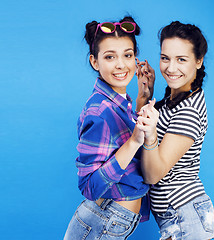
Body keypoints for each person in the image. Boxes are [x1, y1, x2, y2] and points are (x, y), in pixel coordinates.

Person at [64, 16, 155, 239]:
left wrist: (143, 97)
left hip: (111, 220)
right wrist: (134, 141)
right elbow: (90, 188)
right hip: (98, 222)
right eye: (109, 57)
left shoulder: (119, 103)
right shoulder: (100, 111)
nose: (121, 64)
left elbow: (122, 149)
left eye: (128, 55)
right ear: (95, 62)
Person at [137, 21, 214, 239]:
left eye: (181, 59)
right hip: (178, 216)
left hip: (184, 216)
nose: (171, 68)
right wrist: (144, 96)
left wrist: (151, 134)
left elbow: (153, 175)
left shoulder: (188, 111)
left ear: (198, 61)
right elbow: (138, 138)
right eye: (165, 58)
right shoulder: (174, 100)